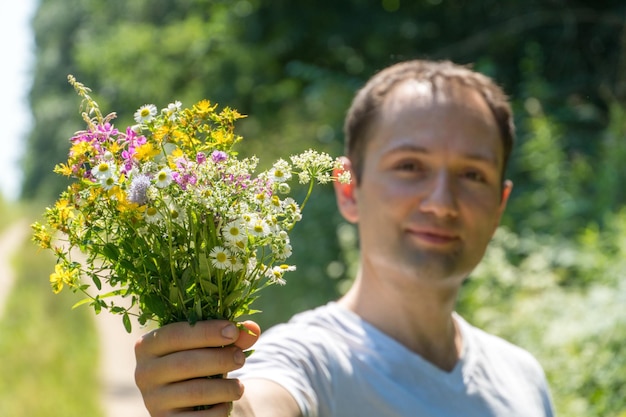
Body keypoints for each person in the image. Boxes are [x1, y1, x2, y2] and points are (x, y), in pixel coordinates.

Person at [134, 59, 556, 417]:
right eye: (410, 166)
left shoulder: (522, 379)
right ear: (349, 188)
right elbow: (260, 401)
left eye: (472, 175)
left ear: (499, 206)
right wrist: (210, 405)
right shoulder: (312, 362)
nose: (442, 202)